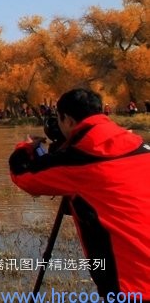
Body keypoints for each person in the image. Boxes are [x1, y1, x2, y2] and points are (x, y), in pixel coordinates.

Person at [9, 87, 150, 298]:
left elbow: (23, 175)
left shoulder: (79, 159)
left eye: (58, 119)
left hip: (133, 284)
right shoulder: (139, 144)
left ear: (67, 119)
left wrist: (25, 148)